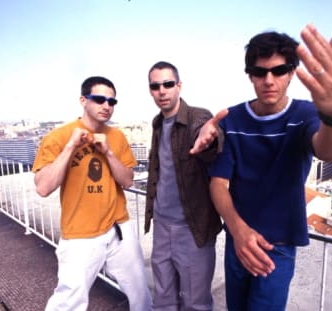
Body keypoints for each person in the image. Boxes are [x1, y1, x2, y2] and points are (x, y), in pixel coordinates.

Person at [195, 24, 332, 310]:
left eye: (279, 71)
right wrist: (239, 232)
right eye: (260, 71)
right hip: (238, 239)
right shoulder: (233, 119)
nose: (269, 80)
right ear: (250, 75)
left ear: (292, 73)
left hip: (277, 246)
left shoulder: (304, 114)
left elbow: (328, 151)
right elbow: (218, 183)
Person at [32, 76, 151, 311]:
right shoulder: (58, 137)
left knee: (140, 292)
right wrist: (70, 147)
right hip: (80, 234)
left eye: (112, 101)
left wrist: (107, 152)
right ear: (83, 100)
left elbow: (127, 180)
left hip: (118, 227)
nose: (107, 106)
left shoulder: (116, 137)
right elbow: (43, 187)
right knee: (69, 300)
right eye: (99, 99)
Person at [144, 61, 225, 311]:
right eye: (156, 86)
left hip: (192, 228)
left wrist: (209, 139)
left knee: (195, 303)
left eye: (168, 84)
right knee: (163, 300)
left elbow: (210, 138)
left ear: (179, 86)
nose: (162, 91)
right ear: (151, 91)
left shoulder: (197, 117)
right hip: (161, 226)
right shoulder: (157, 124)